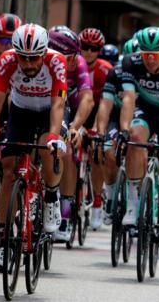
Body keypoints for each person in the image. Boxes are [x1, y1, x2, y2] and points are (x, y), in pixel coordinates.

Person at [0, 23, 68, 271]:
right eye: (23, 58)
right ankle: (5, 244)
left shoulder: (57, 61)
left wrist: (53, 136)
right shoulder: (7, 60)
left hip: (51, 109)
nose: (28, 64)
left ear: (44, 52)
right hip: (21, 111)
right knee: (8, 169)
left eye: (34, 58)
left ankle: (50, 196)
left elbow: (59, 105)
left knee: (46, 149)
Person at [112, 26, 159, 255]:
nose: (150, 59)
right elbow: (127, 99)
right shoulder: (130, 62)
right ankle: (134, 204)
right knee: (135, 139)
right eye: (146, 54)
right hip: (145, 111)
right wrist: (124, 129)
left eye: (155, 55)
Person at [48, 27, 95, 240]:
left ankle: (66, 212)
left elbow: (88, 99)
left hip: (73, 110)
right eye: (72, 56)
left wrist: (76, 126)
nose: (77, 60)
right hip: (51, 106)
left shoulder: (79, 65)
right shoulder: (44, 62)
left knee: (67, 151)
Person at [78, 28, 114, 229]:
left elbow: (105, 104)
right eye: (85, 47)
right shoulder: (74, 64)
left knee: (97, 154)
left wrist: (95, 129)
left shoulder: (105, 69)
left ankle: (98, 203)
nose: (89, 52)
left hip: (101, 111)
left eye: (94, 48)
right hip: (80, 109)